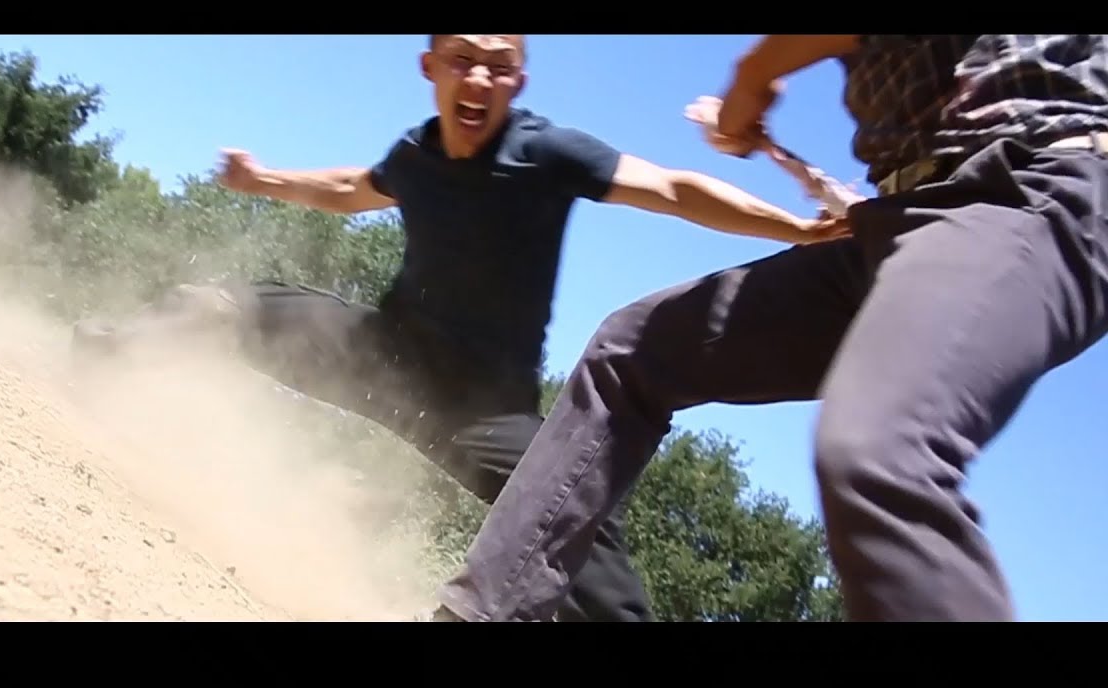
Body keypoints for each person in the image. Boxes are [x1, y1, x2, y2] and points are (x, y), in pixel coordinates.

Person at [70, 34, 848, 622]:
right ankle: (89, 369)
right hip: (383, 354)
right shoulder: (416, 154)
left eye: (499, 65)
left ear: (518, 80)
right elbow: (348, 188)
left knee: (588, 552)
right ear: (431, 67)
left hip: (484, 412)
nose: (479, 79)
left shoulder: (546, 153)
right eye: (463, 59)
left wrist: (794, 229)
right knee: (221, 306)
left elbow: (672, 188)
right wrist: (263, 179)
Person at [430, 34, 1108, 622]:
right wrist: (770, 129)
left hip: (1036, 188)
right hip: (907, 221)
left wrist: (752, 80)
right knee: (632, 350)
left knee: (879, 451)